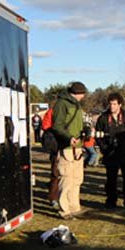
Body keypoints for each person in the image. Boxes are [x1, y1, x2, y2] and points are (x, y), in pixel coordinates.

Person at [96, 92, 125, 209]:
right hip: (110, 153)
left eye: (114, 104)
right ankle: (111, 200)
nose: (112, 106)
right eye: (110, 104)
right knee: (111, 179)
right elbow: (98, 136)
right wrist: (104, 148)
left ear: (120, 104)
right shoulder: (103, 118)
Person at [50, 82, 89, 219]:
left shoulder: (77, 105)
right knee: (66, 179)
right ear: (77, 93)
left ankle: (74, 207)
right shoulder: (62, 104)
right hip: (66, 147)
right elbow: (57, 126)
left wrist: (86, 131)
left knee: (77, 179)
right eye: (82, 93)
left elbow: (78, 124)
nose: (83, 96)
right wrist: (68, 138)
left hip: (78, 147)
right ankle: (64, 210)